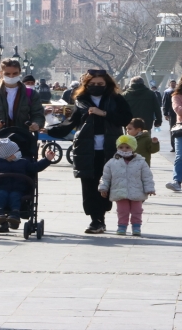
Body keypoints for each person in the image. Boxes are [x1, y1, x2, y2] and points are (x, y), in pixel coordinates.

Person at [47, 69, 132, 234]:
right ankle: (95, 219)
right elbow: (71, 123)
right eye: (92, 84)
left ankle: (101, 215)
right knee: (88, 185)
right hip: (86, 148)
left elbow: (125, 118)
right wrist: (50, 130)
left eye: (100, 84)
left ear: (107, 84)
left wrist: (104, 113)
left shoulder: (116, 99)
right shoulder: (81, 101)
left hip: (109, 148)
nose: (96, 87)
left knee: (106, 184)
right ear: (86, 85)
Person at [0, 58, 45, 156]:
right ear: (1, 73)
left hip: (23, 140)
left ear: (19, 73)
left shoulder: (31, 94)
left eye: (15, 73)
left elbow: (38, 114)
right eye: (7, 74)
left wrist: (36, 124)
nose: (11, 76)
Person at [0, 138, 54, 225]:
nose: (18, 152)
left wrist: (46, 160)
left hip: (18, 189)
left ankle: (15, 214)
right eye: (16, 151)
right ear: (8, 154)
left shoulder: (23, 162)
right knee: (0, 195)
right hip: (1, 187)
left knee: (15, 197)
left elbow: (35, 167)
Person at [98, 135, 155, 236]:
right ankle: (122, 226)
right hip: (119, 191)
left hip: (136, 191)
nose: (124, 149)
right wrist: (103, 187)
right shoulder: (112, 162)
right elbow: (106, 177)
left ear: (133, 148)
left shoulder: (141, 162)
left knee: (137, 210)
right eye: (121, 147)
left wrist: (149, 188)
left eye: (127, 147)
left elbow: (147, 176)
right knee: (122, 210)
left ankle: (136, 227)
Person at [162, 79, 177, 152]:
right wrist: (165, 113)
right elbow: (165, 103)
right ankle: (174, 146)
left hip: (181, 114)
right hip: (172, 113)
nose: (173, 84)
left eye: (174, 83)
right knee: (173, 129)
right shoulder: (168, 92)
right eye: (172, 83)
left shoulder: (181, 92)